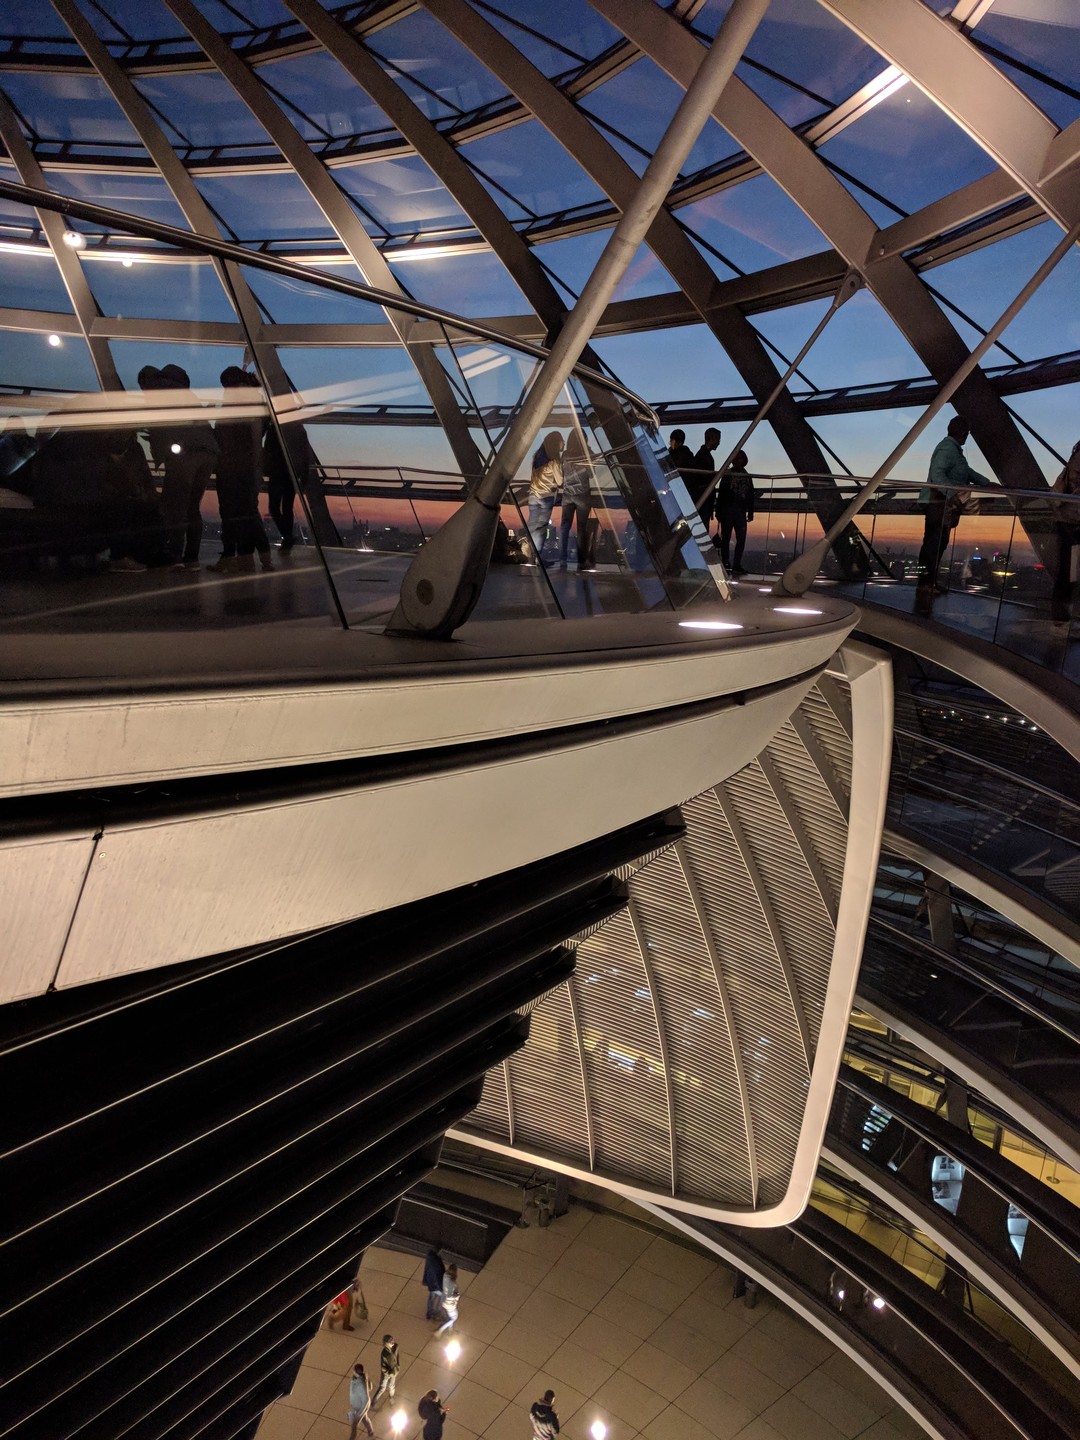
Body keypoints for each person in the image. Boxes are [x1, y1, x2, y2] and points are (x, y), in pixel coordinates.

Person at [139, 362, 218, 569]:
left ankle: (174, 555)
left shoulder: (157, 392)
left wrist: (159, 456)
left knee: (177, 506)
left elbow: (159, 429)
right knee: (192, 507)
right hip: (208, 452)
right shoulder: (186, 393)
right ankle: (192, 558)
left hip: (185, 453)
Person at [915, 417, 991, 613]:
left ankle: (928, 582)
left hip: (941, 504)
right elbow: (937, 475)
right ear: (963, 432)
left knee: (937, 543)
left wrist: (986, 482)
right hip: (938, 504)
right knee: (934, 544)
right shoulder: (948, 449)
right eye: (967, 433)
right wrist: (952, 495)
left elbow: (965, 472)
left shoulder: (952, 450)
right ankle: (925, 583)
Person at [211, 366, 272, 574]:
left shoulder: (236, 401)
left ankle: (234, 557)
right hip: (251, 466)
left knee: (231, 513)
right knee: (248, 512)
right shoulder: (257, 400)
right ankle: (258, 559)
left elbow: (229, 435)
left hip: (233, 467)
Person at [1051, 438, 1080, 624]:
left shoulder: (1074, 458)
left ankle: (1061, 617)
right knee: (1069, 570)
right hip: (1073, 520)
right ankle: (1062, 616)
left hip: (1067, 519)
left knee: (1067, 569)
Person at [714, 449, 756, 575]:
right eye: (738, 458)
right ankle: (728, 563)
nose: (739, 461)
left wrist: (750, 511)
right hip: (731, 511)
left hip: (737, 511)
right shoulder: (741, 475)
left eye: (741, 458)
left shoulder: (740, 475)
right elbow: (723, 494)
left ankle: (732, 563)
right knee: (728, 538)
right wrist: (719, 511)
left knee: (736, 538)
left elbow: (750, 494)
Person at [558, 430, 593, 571]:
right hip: (582, 495)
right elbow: (591, 474)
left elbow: (561, 473)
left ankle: (562, 560)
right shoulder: (587, 453)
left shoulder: (565, 455)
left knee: (564, 527)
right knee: (581, 528)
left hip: (567, 494)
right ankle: (581, 561)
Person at [527, 431, 564, 561]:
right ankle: (538, 559)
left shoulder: (537, 457)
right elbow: (560, 481)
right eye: (562, 441)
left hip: (533, 496)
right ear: (556, 443)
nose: (563, 444)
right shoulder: (554, 461)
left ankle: (529, 555)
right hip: (546, 496)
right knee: (541, 528)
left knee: (532, 526)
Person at [687, 427, 721, 522]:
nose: (719, 443)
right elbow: (703, 478)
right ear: (712, 439)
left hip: (702, 496)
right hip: (703, 497)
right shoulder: (704, 456)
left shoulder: (702, 454)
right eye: (718, 440)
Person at [346, 1361, 375, 1440]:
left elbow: (366, 1400)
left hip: (361, 1407)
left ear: (355, 1372)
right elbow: (370, 1387)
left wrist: (359, 1414)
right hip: (358, 1406)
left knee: (354, 1425)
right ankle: (371, 1433)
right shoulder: (358, 1378)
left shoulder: (361, 1384)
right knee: (365, 1419)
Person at [372, 1333, 400, 1409]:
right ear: (386, 1343)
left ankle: (391, 1398)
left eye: (392, 1339)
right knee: (382, 1388)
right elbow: (383, 1367)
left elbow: (397, 1357)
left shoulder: (395, 1347)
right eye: (391, 1340)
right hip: (387, 1374)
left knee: (392, 1386)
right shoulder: (384, 1354)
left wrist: (397, 1367)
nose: (393, 1341)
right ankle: (373, 1403)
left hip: (393, 1372)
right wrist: (389, 1373)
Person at [422, 1247, 445, 1321]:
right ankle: (437, 1313)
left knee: (431, 1298)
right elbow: (438, 1275)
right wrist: (440, 1288)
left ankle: (429, 1313)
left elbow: (427, 1271)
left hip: (431, 1284)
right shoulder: (436, 1262)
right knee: (442, 1298)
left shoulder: (430, 1259)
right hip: (437, 1286)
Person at [435, 1262, 458, 1334]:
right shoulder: (452, 1283)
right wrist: (456, 1294)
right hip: (449, 1303)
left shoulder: (445, 1275)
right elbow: (449, 1295)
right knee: (454, 1317)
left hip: (443, 1297)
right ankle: (440, 1330)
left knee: (449, 1316)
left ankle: (450, 1330)